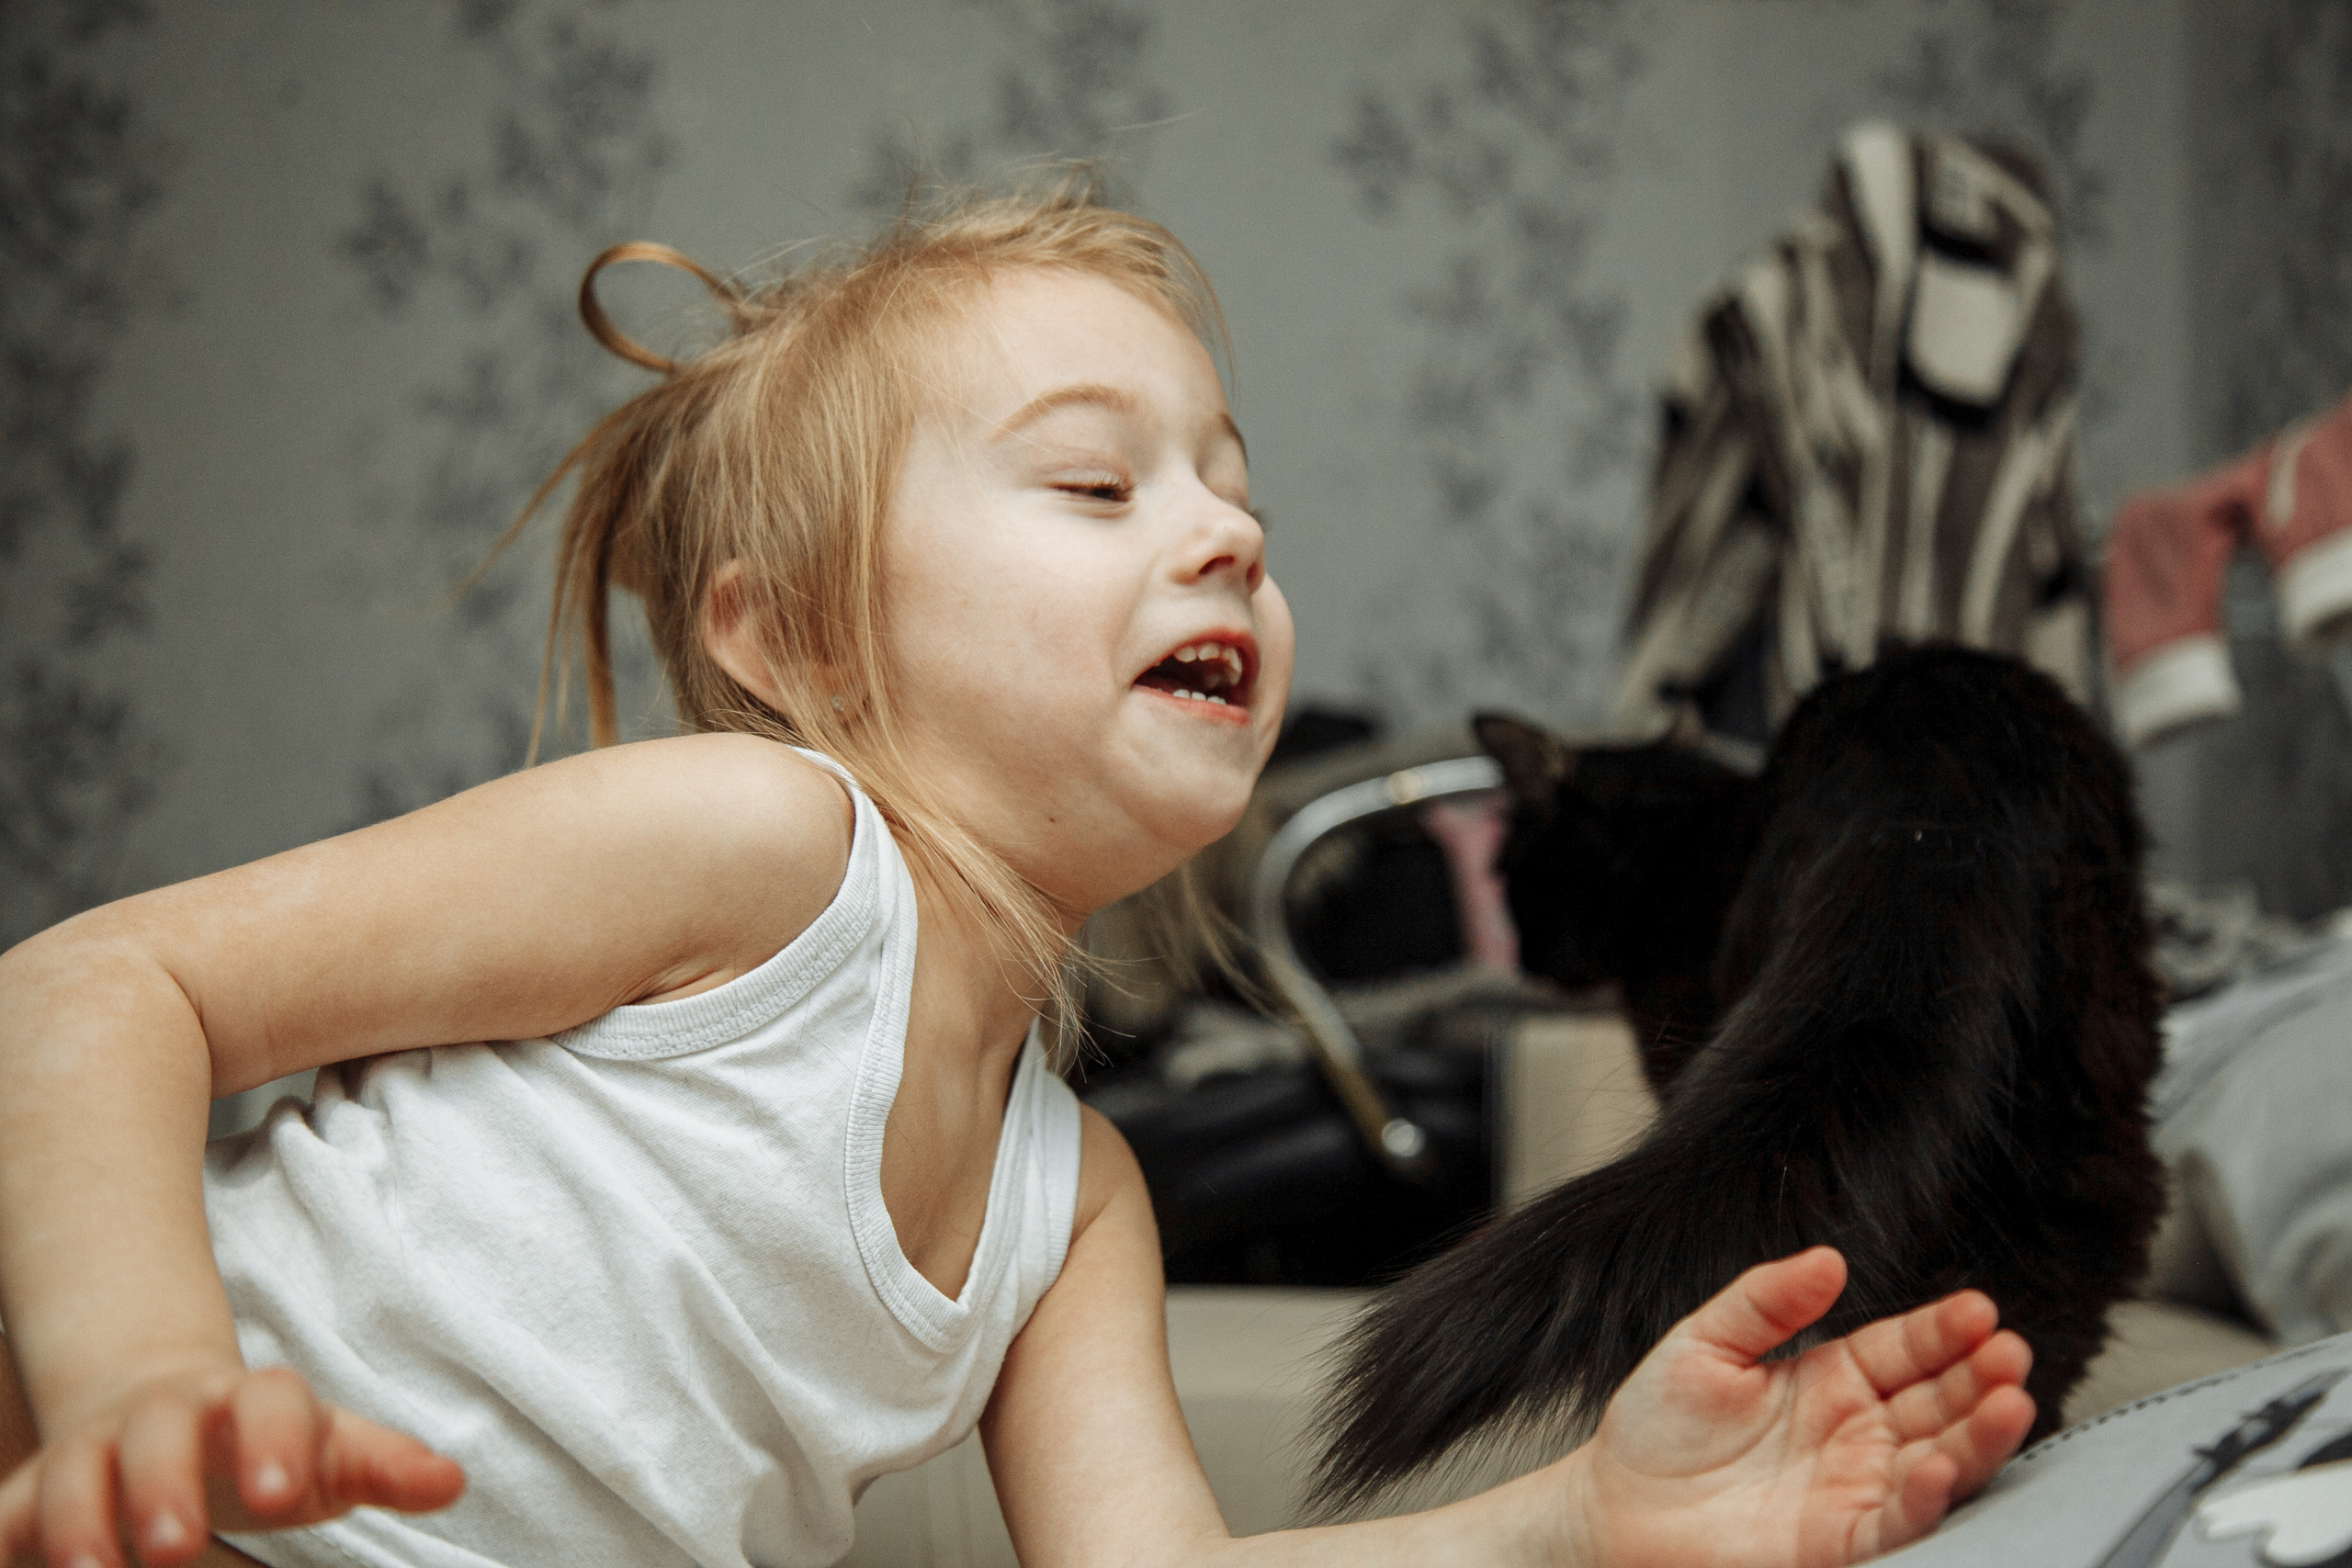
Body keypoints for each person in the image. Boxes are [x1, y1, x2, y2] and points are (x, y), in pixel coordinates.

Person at [0, 186, 2037, 1568]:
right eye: (1094, 482)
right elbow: (90, 988)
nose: (1225, 534)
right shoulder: (757, 843)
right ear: (793, 640)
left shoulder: (1074, 1205)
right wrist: (145, 1374)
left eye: (1236, 489)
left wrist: (1581, 1513)